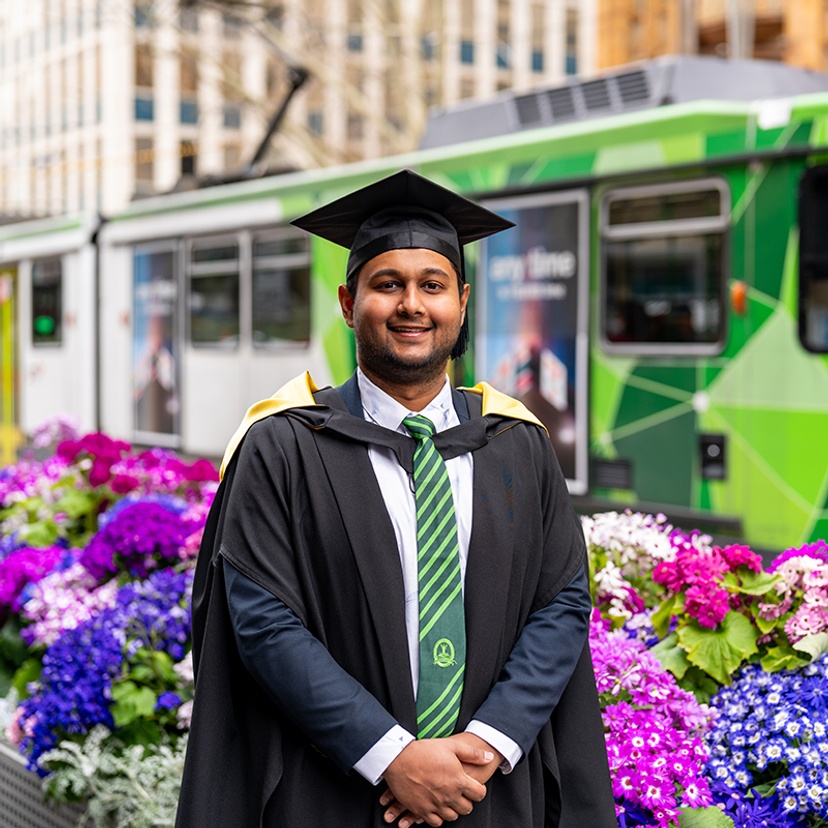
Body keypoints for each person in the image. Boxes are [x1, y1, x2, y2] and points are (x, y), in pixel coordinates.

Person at [175, 169, 615, 827]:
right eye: (389, 285)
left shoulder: (516, 442)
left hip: (486, 789)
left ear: (461, 303)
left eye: (431, 286)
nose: (413, 304)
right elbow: (263, 621)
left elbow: (562, 601)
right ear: (350, 304)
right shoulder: (283, 444)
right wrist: (391, 757)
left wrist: (489, 741)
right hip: (335, 789)